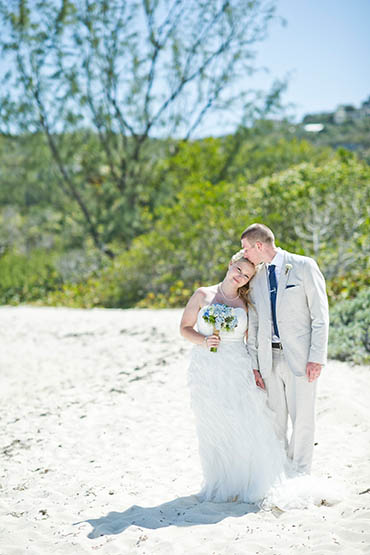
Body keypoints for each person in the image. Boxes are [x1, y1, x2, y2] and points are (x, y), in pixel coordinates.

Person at [180, 251, 289, 504]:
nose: (240, 276)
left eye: (247, 276)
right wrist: (204, 340)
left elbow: (251, 341)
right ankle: (220, 481)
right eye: (239, 270)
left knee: (242, 421)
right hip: (206, 369)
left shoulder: (246, 303)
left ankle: (246, 481)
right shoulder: (202, 294)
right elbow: (184, 328)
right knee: (214, 425)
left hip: (237, 367)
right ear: (231, 265)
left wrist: (255, 369)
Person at [241, 223, 329, 475]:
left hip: (301, 359)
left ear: (259, 246)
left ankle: (300, 473)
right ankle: (279, 472)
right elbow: (255, 323)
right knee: (274, 421)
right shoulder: (256, 277)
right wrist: (255, 365)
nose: (244, 254)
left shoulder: (304, 266)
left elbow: (320, 317)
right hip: (269, 359)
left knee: (302, 420)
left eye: (246, 248)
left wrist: (316, 358)